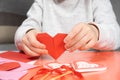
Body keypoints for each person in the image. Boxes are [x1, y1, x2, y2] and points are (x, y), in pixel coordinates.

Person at [15, 0, 120, 56]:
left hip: (90, 67)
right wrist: (27, 35)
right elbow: (23, 30)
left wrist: (96, 32)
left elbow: (116, 35)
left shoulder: (97, 1)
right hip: (48, 68)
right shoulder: (42, 2)